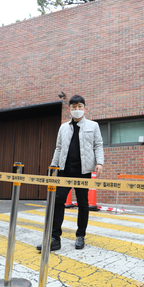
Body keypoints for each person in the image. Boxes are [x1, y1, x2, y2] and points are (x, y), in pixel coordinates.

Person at [37, 95, 104, 252]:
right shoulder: (63, 127)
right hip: (64, 171)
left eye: (79, 106)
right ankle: (54, 238)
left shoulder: (93, 126)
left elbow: (98, 145)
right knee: (57, 201)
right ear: (69, 109)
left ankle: (80, 235)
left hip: (83, 171)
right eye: (74, 107)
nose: (77, 110)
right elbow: (58, 148)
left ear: (84, 107)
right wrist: (53, 166)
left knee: (83, 204)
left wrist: (100, 162)